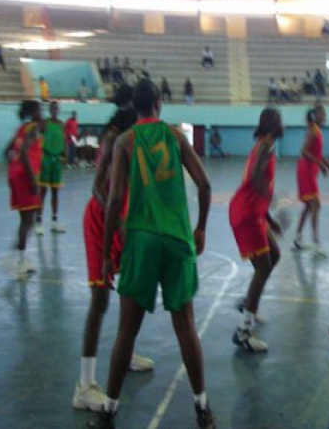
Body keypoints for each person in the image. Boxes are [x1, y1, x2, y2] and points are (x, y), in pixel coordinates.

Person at [86, 78, 215, 429]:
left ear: (136, 107)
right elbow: (204, 185)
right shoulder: (175, 136)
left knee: (127, 330)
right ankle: (203, 409)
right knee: (185, 326)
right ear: (158, 102)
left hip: (141, 241)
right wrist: (200, 228)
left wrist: (108, 253)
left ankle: (109, 413)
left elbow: (113, 200)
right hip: (176, 241)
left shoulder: (126, 141)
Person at [73, 86, 153, 413]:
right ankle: (84, 386)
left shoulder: (132, 142)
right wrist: (115, 221)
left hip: (123, 218)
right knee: (100, 299)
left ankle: (126, 351)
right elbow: (98, 188)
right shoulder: (112, 141)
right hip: (101, 220)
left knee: (130, 291)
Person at [229, 108, 284, 352]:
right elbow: (253, 178)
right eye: (279, 120)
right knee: (263, 267)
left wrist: (270, 217)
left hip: (255, 213)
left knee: (274, 255)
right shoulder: (264, 147)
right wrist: (269, 197)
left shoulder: (266, 146)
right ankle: (243, 331)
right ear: (273, 124)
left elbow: (258, 183)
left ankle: (249, 302)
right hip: (247, 214)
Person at [5, 100, 43, 278]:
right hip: (26, 176)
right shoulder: (33, 128)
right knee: (28, 220)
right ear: (33, 112)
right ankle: (21, 260)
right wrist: (32, 180)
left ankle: (20, 248)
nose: (40, 112)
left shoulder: (22, 129)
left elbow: (7, 151)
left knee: (28, 218)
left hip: (15, 174)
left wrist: (14, 166)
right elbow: (26, 155)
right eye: (39, 110)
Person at [294, 105, 329, 256]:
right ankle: (316, 243)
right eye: (322, 113)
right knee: (315, 204)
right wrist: (320, 164)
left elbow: (315, 153)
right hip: (306, 171)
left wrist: (326, 163)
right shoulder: (312, 130)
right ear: (315, 115)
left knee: (309, 206)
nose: (325, 116)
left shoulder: (316, 130)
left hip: (309, 170)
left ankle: (297, 238)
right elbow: (303, 151)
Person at [35, 101, 66, 234]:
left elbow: (64, 141)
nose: (54, 110)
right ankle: (39, 222)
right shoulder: (44, 123)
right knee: (42, 191)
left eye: (56, 108)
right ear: (49, 110)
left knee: (55, 192)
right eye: (52, 108)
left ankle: (54, 221)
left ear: (58, 110)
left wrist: (65, 156)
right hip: (46, 159)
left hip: (57, 160)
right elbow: (37, 136)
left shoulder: (61, 124)